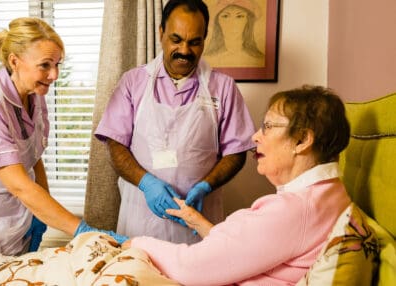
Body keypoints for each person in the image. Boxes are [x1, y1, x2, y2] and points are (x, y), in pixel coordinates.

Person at [123, 85, 353, 285]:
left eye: (268, 126)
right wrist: (198, 221)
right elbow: (245, 249)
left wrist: (135, 242)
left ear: (302, 140)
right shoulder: (330, 192)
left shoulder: (295, 209)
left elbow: (193, 267)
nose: (254, 137)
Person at [0, 17, 127, 257]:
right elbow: (18, 183)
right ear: (14, 61)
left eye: (58, 64)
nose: (54, 74)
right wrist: (83, 231)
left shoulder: (35, 98)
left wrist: (38, 212)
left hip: (15, 223)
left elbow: (33, 157)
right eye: (45, 65)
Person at [95, 0, 256, 244]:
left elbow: (236, 152)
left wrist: (206, 185)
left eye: (194, 42)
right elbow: (115, 144)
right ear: (161, 33)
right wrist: (146, 183)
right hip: (141, 216)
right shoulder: (133, 82)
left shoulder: (223, 87)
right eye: (176, 39)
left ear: (205, 38)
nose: (184, 50)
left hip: (198, 221)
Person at [203, 0, 265, 67]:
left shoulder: (258, 58)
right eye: (225, 16)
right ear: (217, 22)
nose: (232, 23)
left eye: (239, 16)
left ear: (248, 21)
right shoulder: (207, 58)